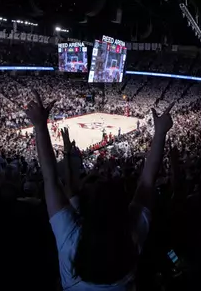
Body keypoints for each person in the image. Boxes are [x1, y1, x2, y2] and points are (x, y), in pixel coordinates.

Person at [24, 88, 175, 290]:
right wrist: (161, 133)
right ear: (124, 209)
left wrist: (40, 127)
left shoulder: (73, 238)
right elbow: (147, 182)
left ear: (88, 210)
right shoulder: (131, 237)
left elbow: (50, 179)